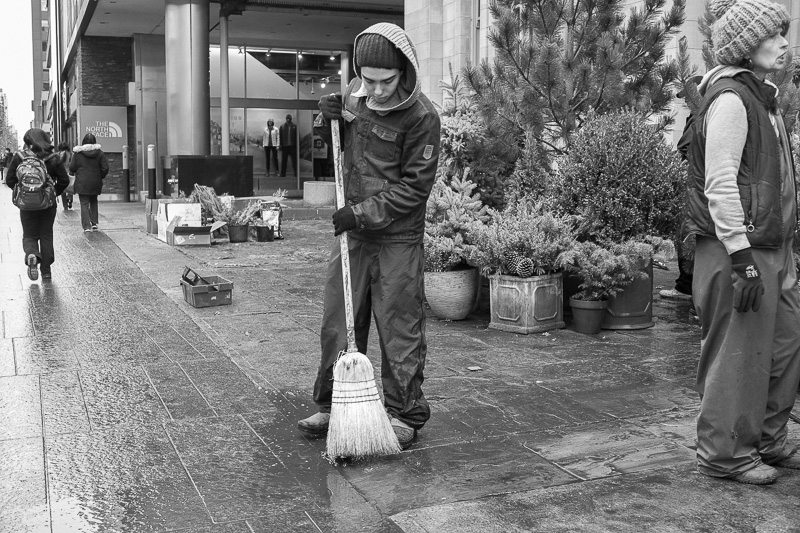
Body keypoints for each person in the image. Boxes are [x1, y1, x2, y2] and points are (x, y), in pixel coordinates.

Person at [297, 22, 441, 450]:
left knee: (399, 327)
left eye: (387, 81)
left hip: (397, 237)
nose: (376, 91)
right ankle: (333, 403)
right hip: (356, 237)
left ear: (405, 73)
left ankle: (404, 413)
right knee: (337, 323)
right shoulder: (354, 99)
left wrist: (358, 214)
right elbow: (343, 149)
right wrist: (327, 123)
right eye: (368, 80)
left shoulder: (422, 117)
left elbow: (414, 189)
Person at [686, 0, 800, 485]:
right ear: (748, 45)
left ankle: (768, 440)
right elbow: (721, 185)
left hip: (774, 246)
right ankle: (725, 454)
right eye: (774, 35)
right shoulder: (732, 99)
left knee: (784, 344)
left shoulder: (763, 98)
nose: (784, 43)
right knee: (738, 354)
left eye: (783, 33)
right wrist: (743, 259)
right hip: (739, 252)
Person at [4, 129, 70, 281]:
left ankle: (32, 254)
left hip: (26, 204)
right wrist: (52, 195)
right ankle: (46, 271)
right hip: (48, 205)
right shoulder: (53, 158)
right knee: (46, 234)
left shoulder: (19, 157)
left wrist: (23, 192)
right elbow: (64, 181)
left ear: (28, 142)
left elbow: (10, 180)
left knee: (29, 235)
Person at [69, 133, 109, 232]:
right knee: (94, 201)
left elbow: (72, 167)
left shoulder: (78, 153)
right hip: (95, 182)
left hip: (82, 182)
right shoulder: (100, 153)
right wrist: (100, 176)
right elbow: (105, 168)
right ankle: (94, 223)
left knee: (84, 203)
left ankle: (86, 226)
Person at [56, 141, 74, 210]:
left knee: (63, 190)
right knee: (71, 187)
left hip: (61, 174)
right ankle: (70, 200)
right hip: (70, 173)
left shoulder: (58, 155)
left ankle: (65, 206)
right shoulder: (71, 154)